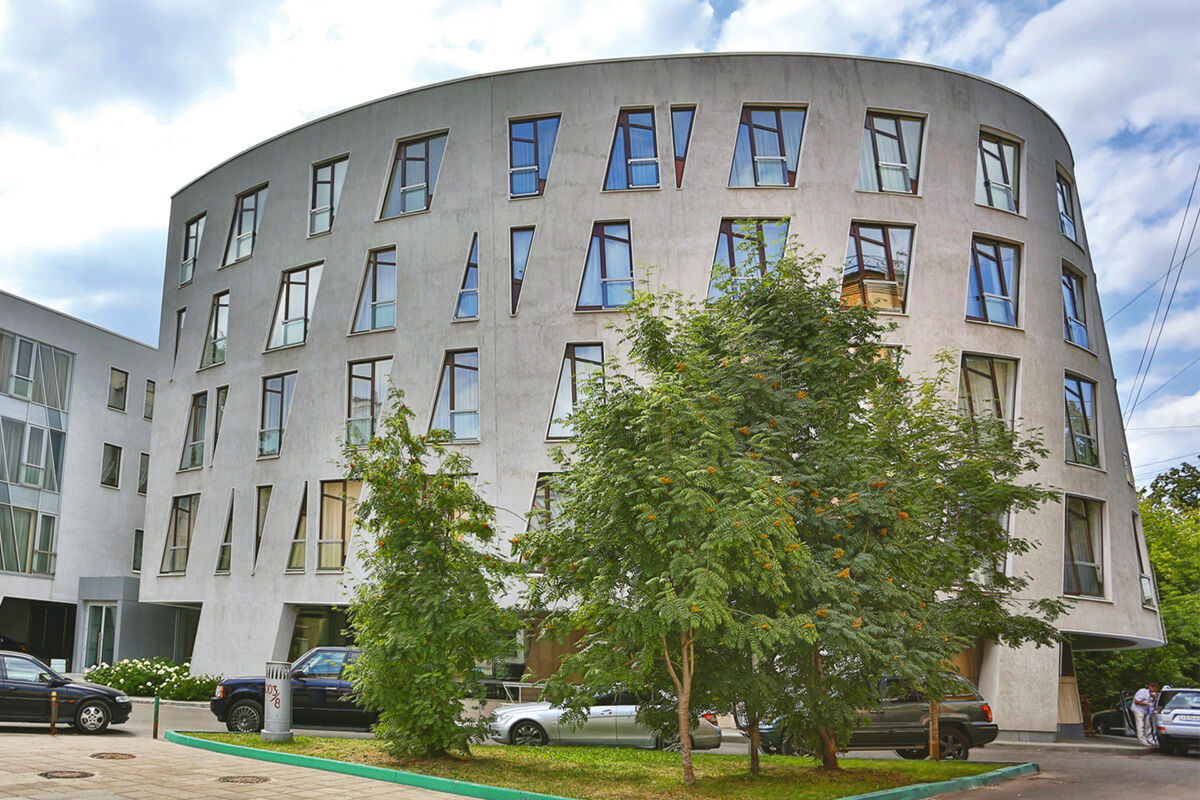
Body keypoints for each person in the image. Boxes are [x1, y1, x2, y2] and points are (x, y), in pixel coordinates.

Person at [1130, 681, 1159, 745]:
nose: (1155, 691)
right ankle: (1142, 740)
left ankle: (1150, 739)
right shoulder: (1142, 691)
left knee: (1148, 725)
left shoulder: (1152, 694)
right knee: (1140, 725)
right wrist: (1146, 703)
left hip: (1147, 711)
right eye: (1154, 689)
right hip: (1138, 710)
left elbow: (1153, 703)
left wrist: (1154, 698)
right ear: (1150, 687)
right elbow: (1136, 701)